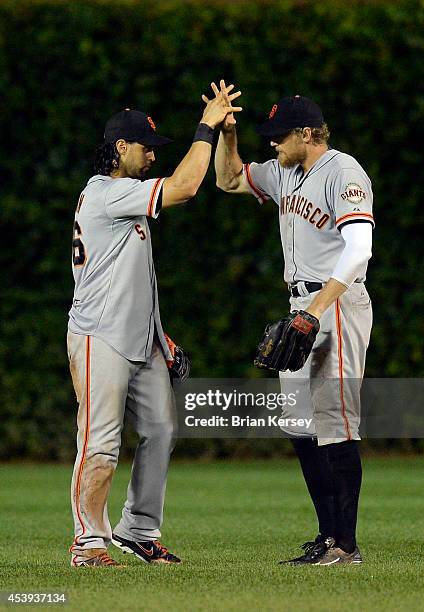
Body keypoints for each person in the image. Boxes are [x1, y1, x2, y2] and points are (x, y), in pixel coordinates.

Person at [67, 87, 241, 567]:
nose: (151, 155)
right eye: (146, 147)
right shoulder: (107, 193)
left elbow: (136, 279)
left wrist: (161, 337)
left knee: (161, 430)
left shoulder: (124, 199)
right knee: (99, 441)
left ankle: (139, 530)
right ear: (121, 147)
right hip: (98, 335)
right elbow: (185, 186)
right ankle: (89, 542)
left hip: (140, 340)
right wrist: (205, 128)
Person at [210, 80, 373, 565]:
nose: (273, 143)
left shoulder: (342, 171)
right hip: (300, 307)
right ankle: (328, 537)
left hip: (335, 305)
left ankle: (346, 544)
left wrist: (314, 312)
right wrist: (228, 134)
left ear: (308, 133)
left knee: (336, 422)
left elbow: (359, 249)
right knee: (300, 424)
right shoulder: (285, 171)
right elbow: (227, 179)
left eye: (280, 135)